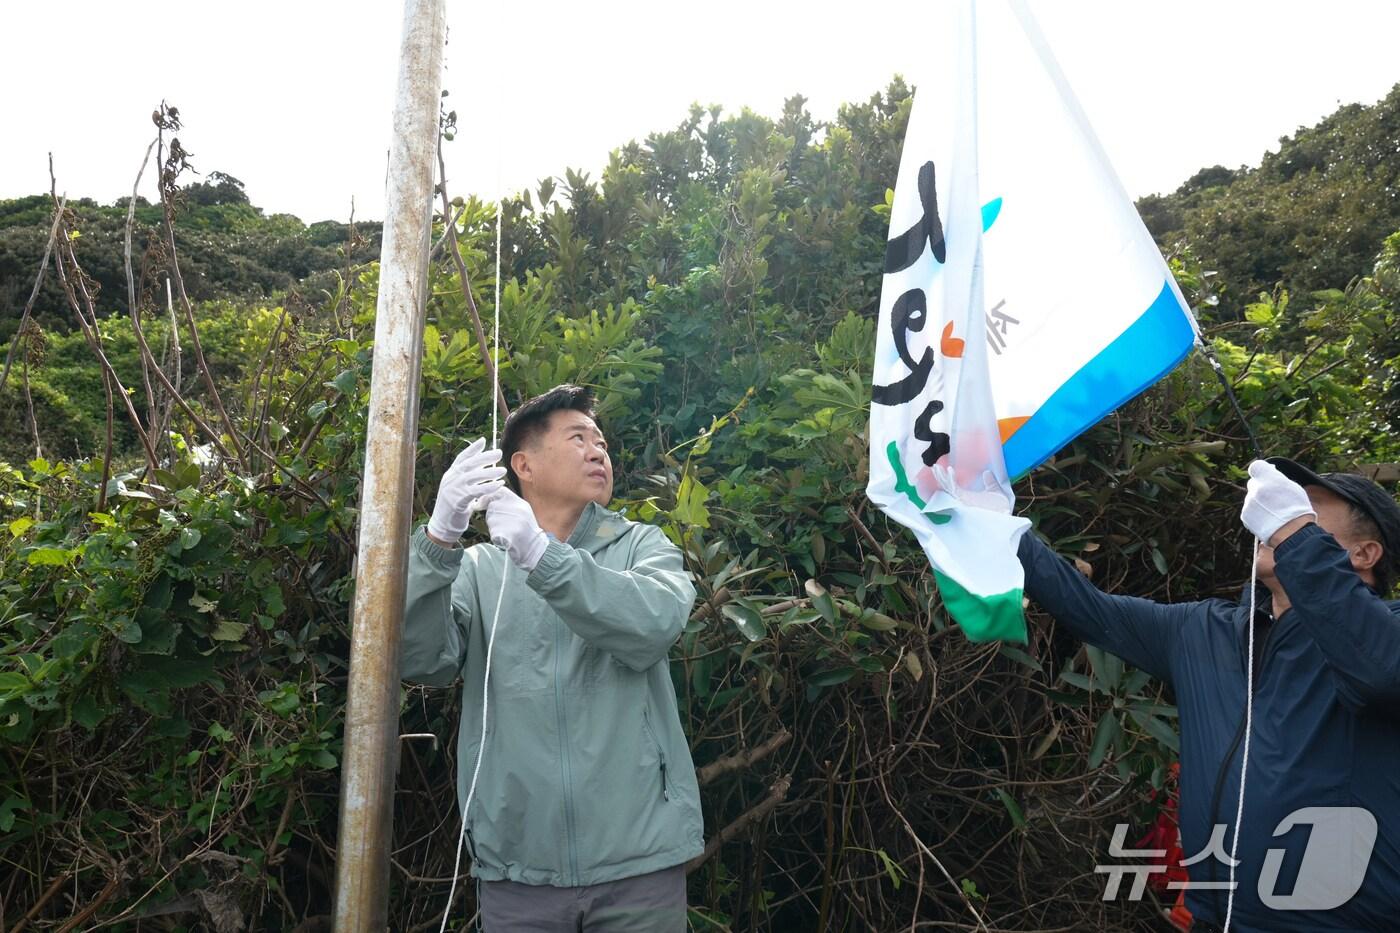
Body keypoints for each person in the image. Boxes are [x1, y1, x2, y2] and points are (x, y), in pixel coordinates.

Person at [1017, 457, 1400, 932]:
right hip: (1215, 919)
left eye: (1306, 512)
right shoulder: (1205, 629)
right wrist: (1001, 532)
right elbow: (1088, 608)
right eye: (1283, 510)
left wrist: (1296, 536)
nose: (1276, 523)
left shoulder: (1386, 636)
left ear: (1364, 554)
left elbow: (1381, 673)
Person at [400, 384, 703, 931]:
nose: (598, 453)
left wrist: (543, 558)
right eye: (578, 438)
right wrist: (439, 542)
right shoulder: (478, 570)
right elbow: (421, 662)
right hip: (518, 871)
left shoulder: (642, 547)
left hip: (639, 864)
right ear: (524, 465)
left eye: (602, 444)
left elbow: (654, 624)